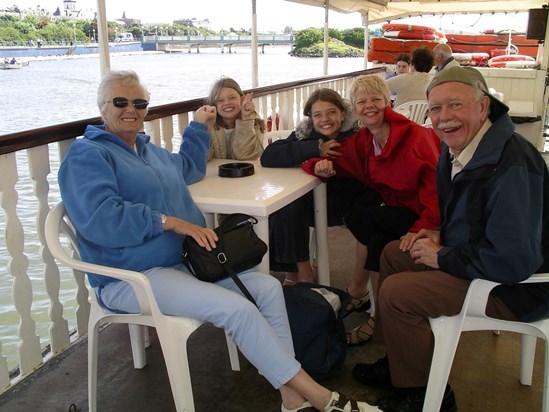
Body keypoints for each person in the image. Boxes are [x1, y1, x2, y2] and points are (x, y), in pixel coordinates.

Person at [58, 69, 380, 412]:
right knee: (239, 310)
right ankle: (320, 398)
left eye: (140, 102)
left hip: (184, 262)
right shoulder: (88, 155)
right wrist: (169, 222)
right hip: (133, 274)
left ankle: (291, 397)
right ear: (102, 107)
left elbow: (188, 169)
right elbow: (99, 218)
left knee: (269, 289)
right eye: (120, 102)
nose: (131, 109)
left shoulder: (147, 150)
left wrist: (199, 128)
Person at [352, 66, 549, 412]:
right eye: (436, 109)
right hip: (481, 261)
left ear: (483, 106)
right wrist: (439, 233)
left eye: (455, 105)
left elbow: (513, 259)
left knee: (399, 293)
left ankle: (429, 395)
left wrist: (441, 256)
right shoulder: (457, 150)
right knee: (393, 253)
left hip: (516, 286)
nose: (444, 118)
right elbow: (476, 218)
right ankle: (399, 361)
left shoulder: (512, 165)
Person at [301, 75, 440, 346]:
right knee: (375, 236)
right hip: (401, 212)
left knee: (367, 218)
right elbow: (334, 161)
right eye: (361, 101)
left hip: (428, 218)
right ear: (353, 109)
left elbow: (438, 192)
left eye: (375, 99)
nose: (369, 106)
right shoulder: (365, 140)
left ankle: (369, 305)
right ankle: (379, 315)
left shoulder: (414, 136)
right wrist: (316, 166)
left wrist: (422, 229)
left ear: (388, 102)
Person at [261, 88, 364, 285]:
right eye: (317, 115)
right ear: (310, 118)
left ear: (343, 113)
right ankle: (301, 270)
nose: (325, 119)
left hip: (346, 203)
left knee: (290, 206)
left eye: (331, 112)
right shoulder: (306, 134)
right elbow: (269, 156)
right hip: (310, 202)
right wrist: (315, 148)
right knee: (285, 205)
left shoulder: (355, 135)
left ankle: (296, 273)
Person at [204, 76, 265, 160]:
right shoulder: (209, 125)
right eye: (220, 100)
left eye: (232, 97)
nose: (227, 103)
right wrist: (205, 128)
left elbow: (245, 156)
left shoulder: (254, 122)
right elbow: (203, 158)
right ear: (214, 105)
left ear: (242, 99)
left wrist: (246, 119)